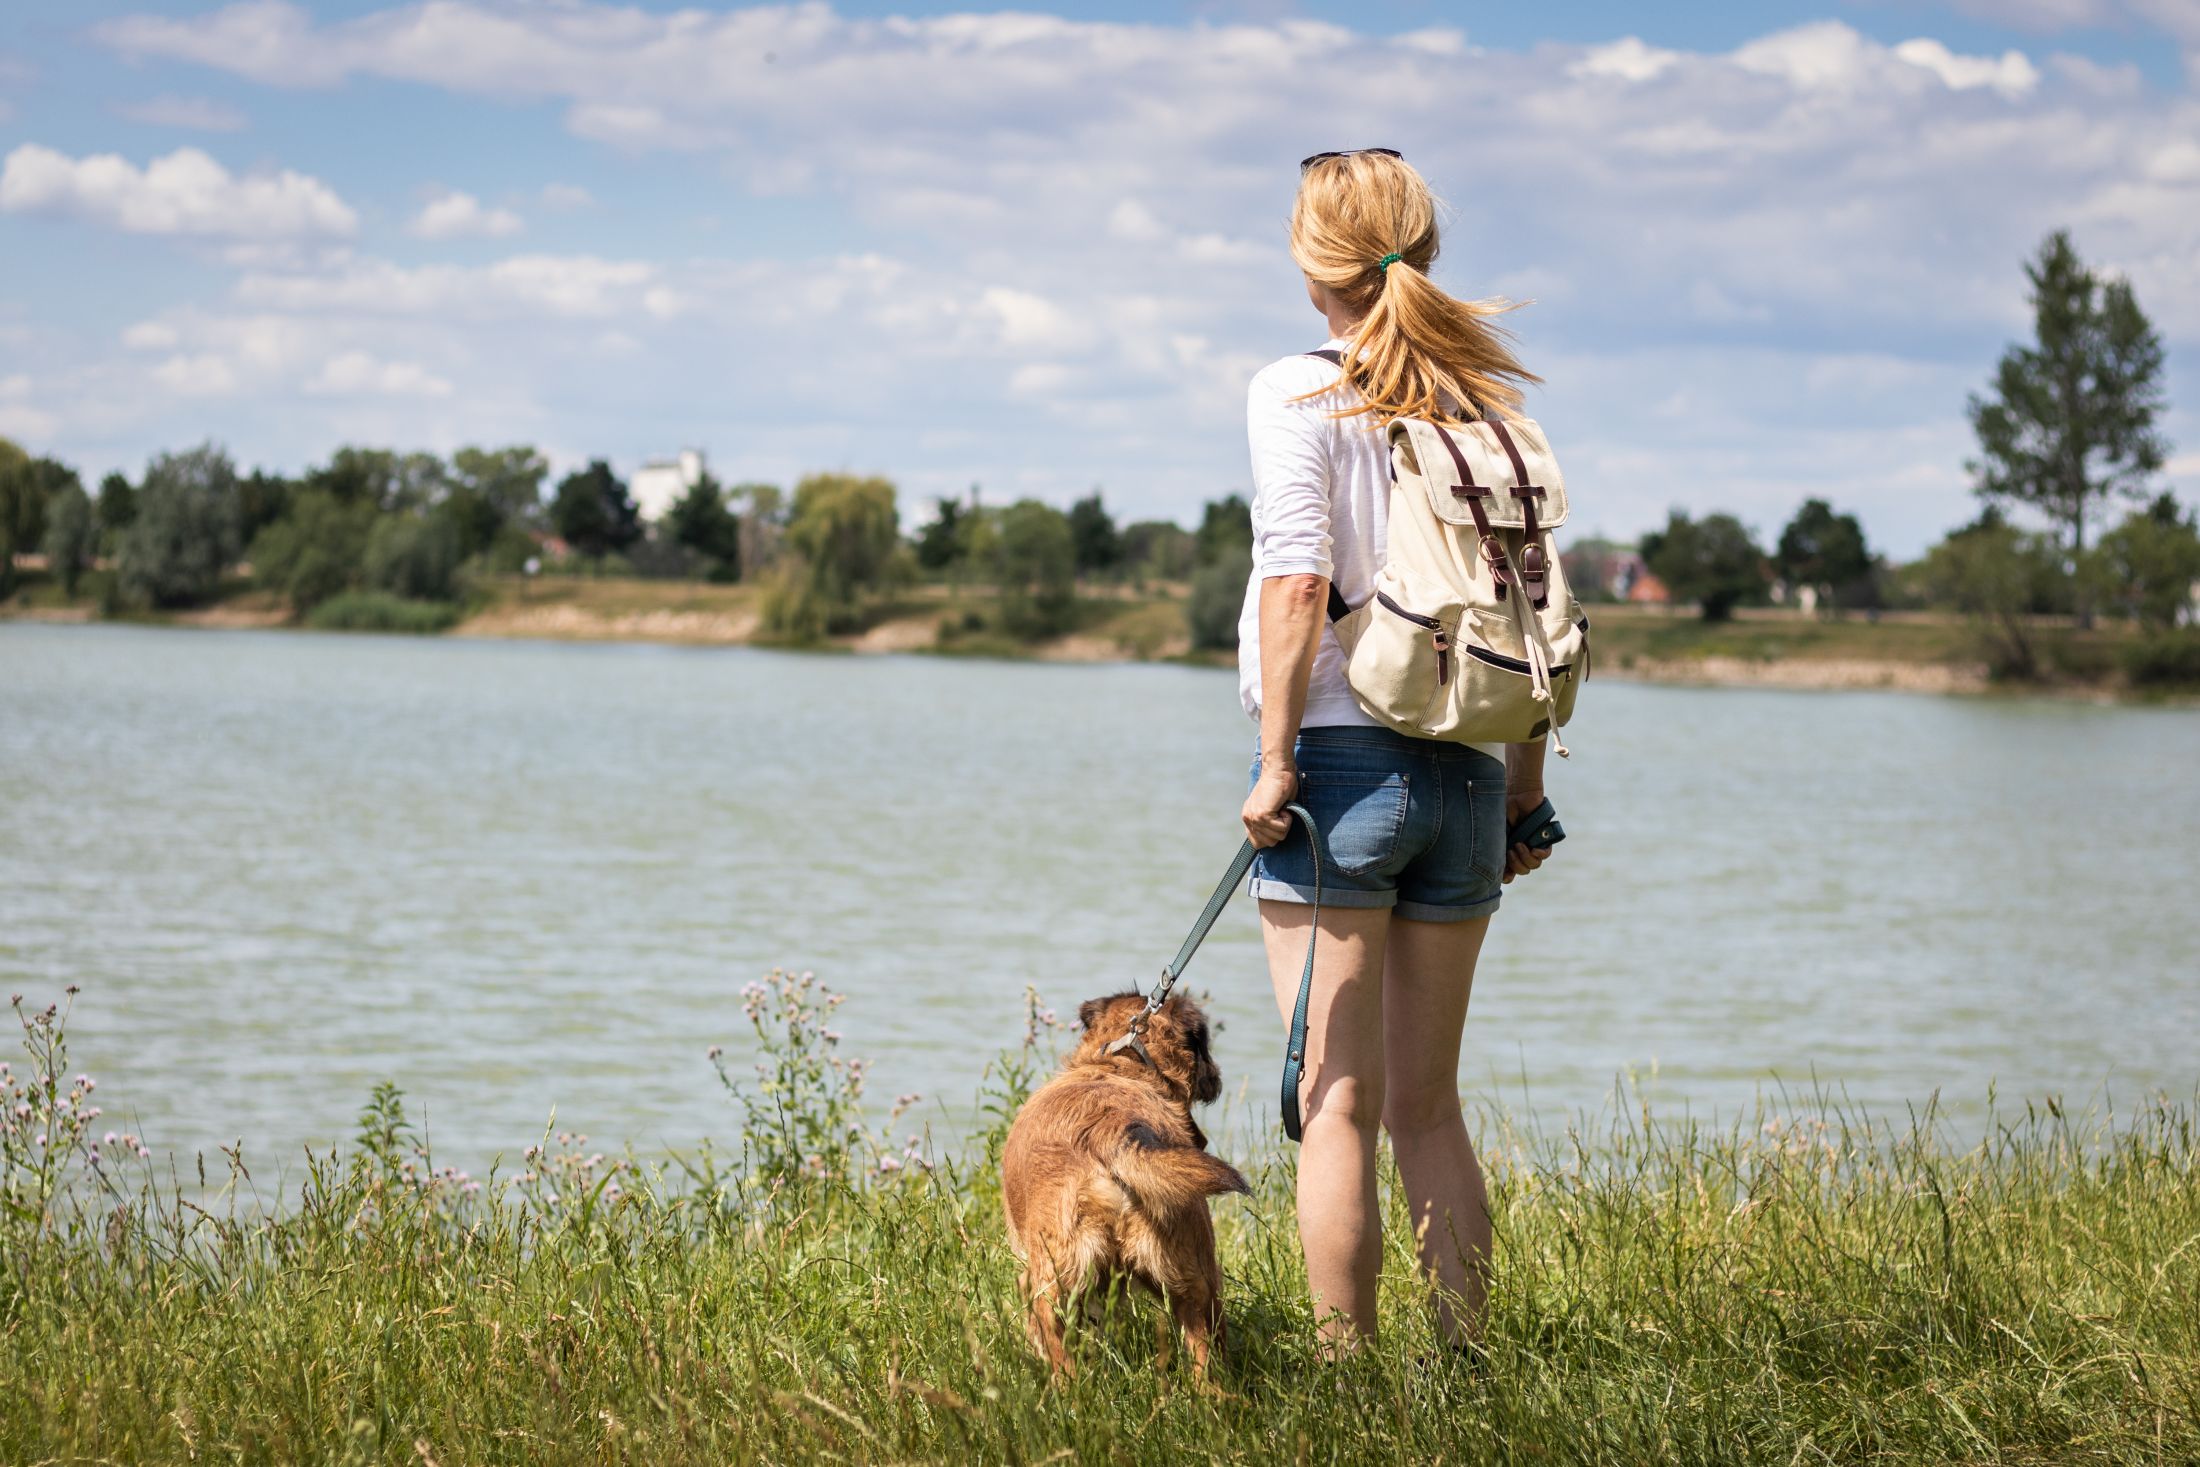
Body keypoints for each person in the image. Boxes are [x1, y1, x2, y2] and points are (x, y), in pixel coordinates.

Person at [1237, 148, 1555, 1351]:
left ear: (1312, 265)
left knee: (1336, 1104)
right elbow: (1529, 613)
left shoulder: (1294, 391)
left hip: (1342, 771)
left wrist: (1275, 765)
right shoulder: (1487, 406)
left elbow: (1297, 579)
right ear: (1423, 251)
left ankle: (1345, 1377)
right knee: (1430, 1107)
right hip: (1472, 772)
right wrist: (1523, 796)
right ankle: (1468, 1371)